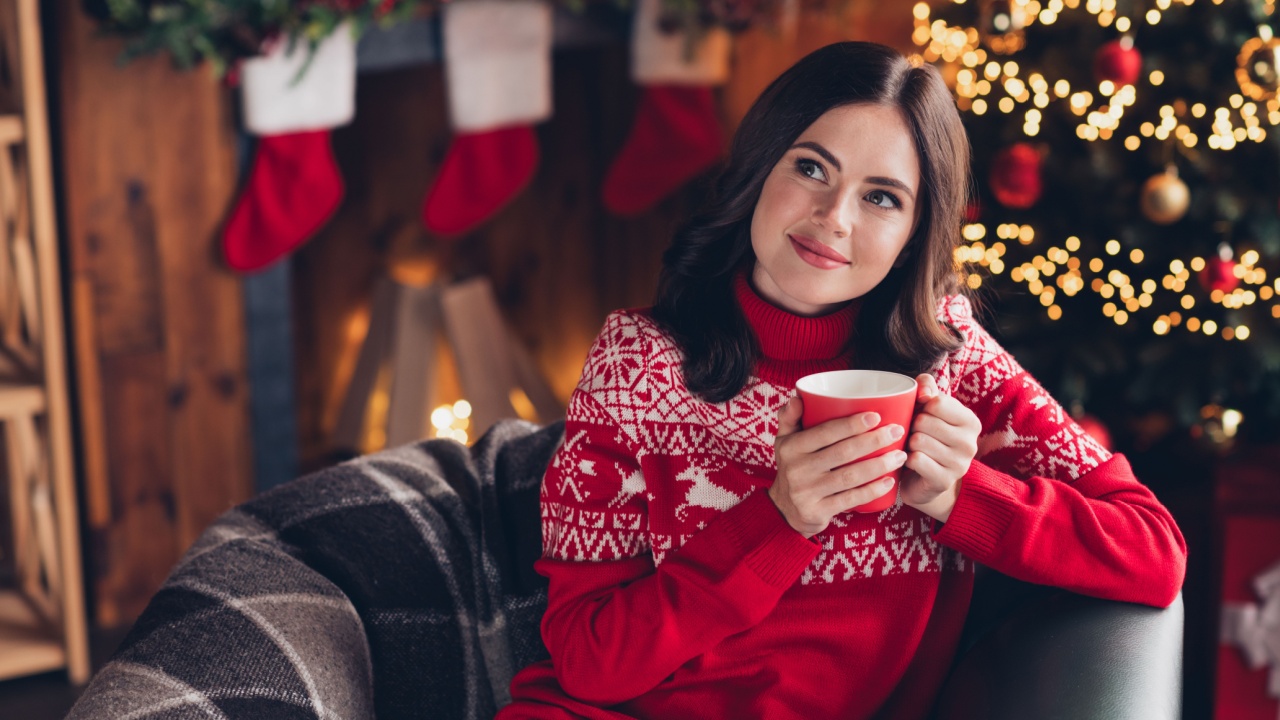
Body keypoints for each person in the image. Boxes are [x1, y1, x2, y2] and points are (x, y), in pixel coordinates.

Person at [496, 41, 1187, 719]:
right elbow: (588, 661)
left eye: (882, 197)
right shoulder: (637, 363)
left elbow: (1154, 553)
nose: (834, 219)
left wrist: (961, 496)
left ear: (916, 232)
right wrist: (779, 520)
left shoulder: (953, 362)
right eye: (811, 168)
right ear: (762, 167)